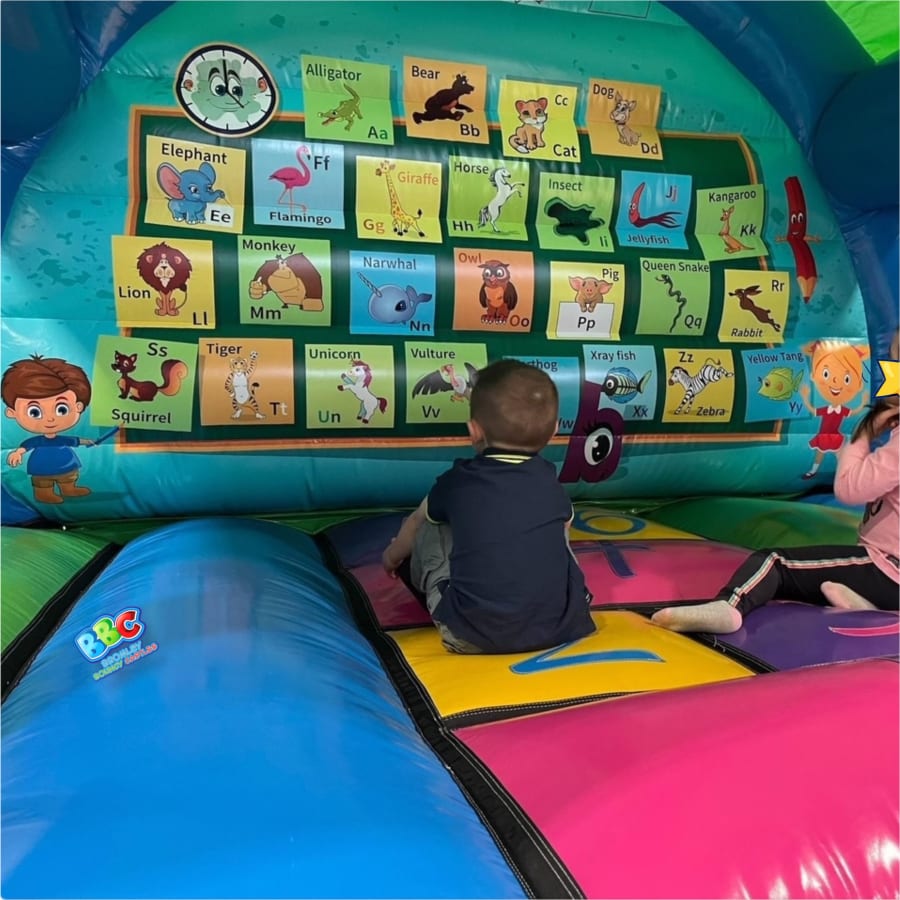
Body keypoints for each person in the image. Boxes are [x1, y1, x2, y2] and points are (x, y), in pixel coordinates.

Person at [651, 335, 899, 634]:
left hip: (887, 570)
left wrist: (863, 435)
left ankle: (729, 606)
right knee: (815, 579)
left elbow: (850, 489)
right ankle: (868, 607)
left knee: (774, 562)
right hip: (887, 577)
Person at [382, 359, 595, 654]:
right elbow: (563, 528)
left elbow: (417, 522)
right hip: (562, 628)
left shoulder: (458, 482)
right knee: (559, 527)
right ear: (555, 430)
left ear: (474, 431)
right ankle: (571, 599)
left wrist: (392, 557)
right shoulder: (551, 482)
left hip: (469, 636)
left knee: (429, 522)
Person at [3, 355, 96, 504]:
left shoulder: (62, 439)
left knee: (68, 478)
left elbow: (76, 441)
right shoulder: (37, 441)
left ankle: (69, 489)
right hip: (42, 468)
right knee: (42, 483)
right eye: (34, 412)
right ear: (12, 412)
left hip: (66, 465)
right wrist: (18, 452)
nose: (50, 419)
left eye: (61, 409)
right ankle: (44, 494)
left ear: (78, 406)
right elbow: (26, 446)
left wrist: (88, 441)